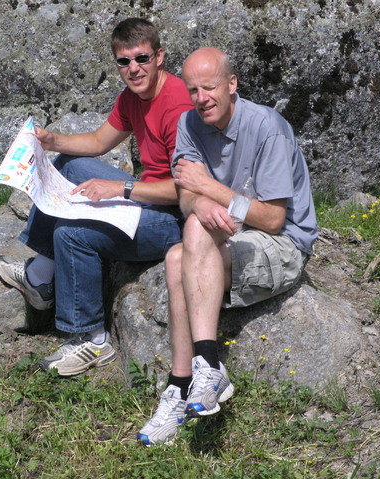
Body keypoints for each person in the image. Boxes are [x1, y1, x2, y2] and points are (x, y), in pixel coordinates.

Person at [137, 47, 318, 446]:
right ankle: (186, 383)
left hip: (283, 241)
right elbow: (186, 196)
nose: (201, 98)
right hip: (231, 233)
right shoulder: (189, 123)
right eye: (193, 89)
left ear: (232, 84)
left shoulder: (267, 127)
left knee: (185, 246)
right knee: (178, 250)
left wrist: (210, 190)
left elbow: (272, 218)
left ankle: (200, 369)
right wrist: (199, 200)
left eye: (211, 86)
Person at [0, 18, 193, 376]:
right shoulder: (133, 97)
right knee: (70, 163)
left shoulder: (178, 106)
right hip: (148, 197)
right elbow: (100, 142)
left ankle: (92, 339)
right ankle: (42, 273)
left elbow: (186, 190)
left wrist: (119, 189)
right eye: (124, 61)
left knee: (72, 235)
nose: (134, 69)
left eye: (142, 59)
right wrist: (52, 141)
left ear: (159, 57)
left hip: (177, 217)